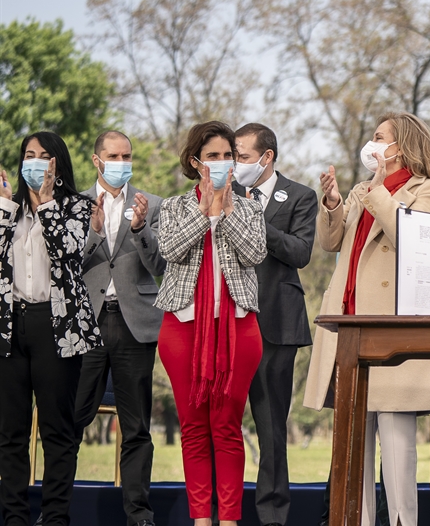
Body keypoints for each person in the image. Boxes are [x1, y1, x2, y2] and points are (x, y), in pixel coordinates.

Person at [303, 112, 430, 526]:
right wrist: (332, 202)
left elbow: (411, 241)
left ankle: (403, 522)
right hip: (349, 328)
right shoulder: (362, 189)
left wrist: (380, 191)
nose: (371, 142)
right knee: (353, 448)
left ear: (399, 146)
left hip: (392, 336)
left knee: (398, 449)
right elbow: (331, 241)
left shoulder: (429, 190)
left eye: (379, 136)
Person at [156, 121, 265, 526]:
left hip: (237, 328)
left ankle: (231, 519)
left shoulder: (250, 207)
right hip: (183, 328)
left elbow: (255, 253)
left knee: (227, 426)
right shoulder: (173, 207)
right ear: (194, 161)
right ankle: (201, 519)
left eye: (228, 156)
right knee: (194, 427)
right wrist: (205, 213)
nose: (222, 164)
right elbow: (169, 249)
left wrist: (228, 212)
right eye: (213, 156)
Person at [0, 132, 101, 526]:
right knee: (11, 432)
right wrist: (6, 205)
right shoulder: (8, 210)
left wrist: (44, 204)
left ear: (57, 164)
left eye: (44, 156)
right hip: (10, 324)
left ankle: (55, 516)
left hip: (57, 327)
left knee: (58, 432)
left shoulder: (78, 206)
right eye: (29, 155)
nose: (36, 162)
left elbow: (67, 250)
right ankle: (14, 518)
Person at [75, 130, 165, 526]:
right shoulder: (74, 206)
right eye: (114, 156)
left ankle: (139, 515)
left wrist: (142, 229)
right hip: (86, 325)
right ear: (97, 160)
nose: (122, 163)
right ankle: (56, 508)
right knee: (71, 418)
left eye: (127, 156)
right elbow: (64, 267)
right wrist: (93, 232)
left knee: (136, 426)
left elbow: (161, 267)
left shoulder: (153, 205)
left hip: (136, 325)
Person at [232, 123, 318, 526]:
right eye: (233, 156)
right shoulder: (223, 195)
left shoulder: (300, 196)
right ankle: (220, 510)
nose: (235, 164)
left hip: (276, 324)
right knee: (221, 424)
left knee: (271, 430)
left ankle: (272, 516)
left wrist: (254, 221)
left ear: (266, 158)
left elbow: (300, 252)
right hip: (228, 320)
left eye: (243, 157)